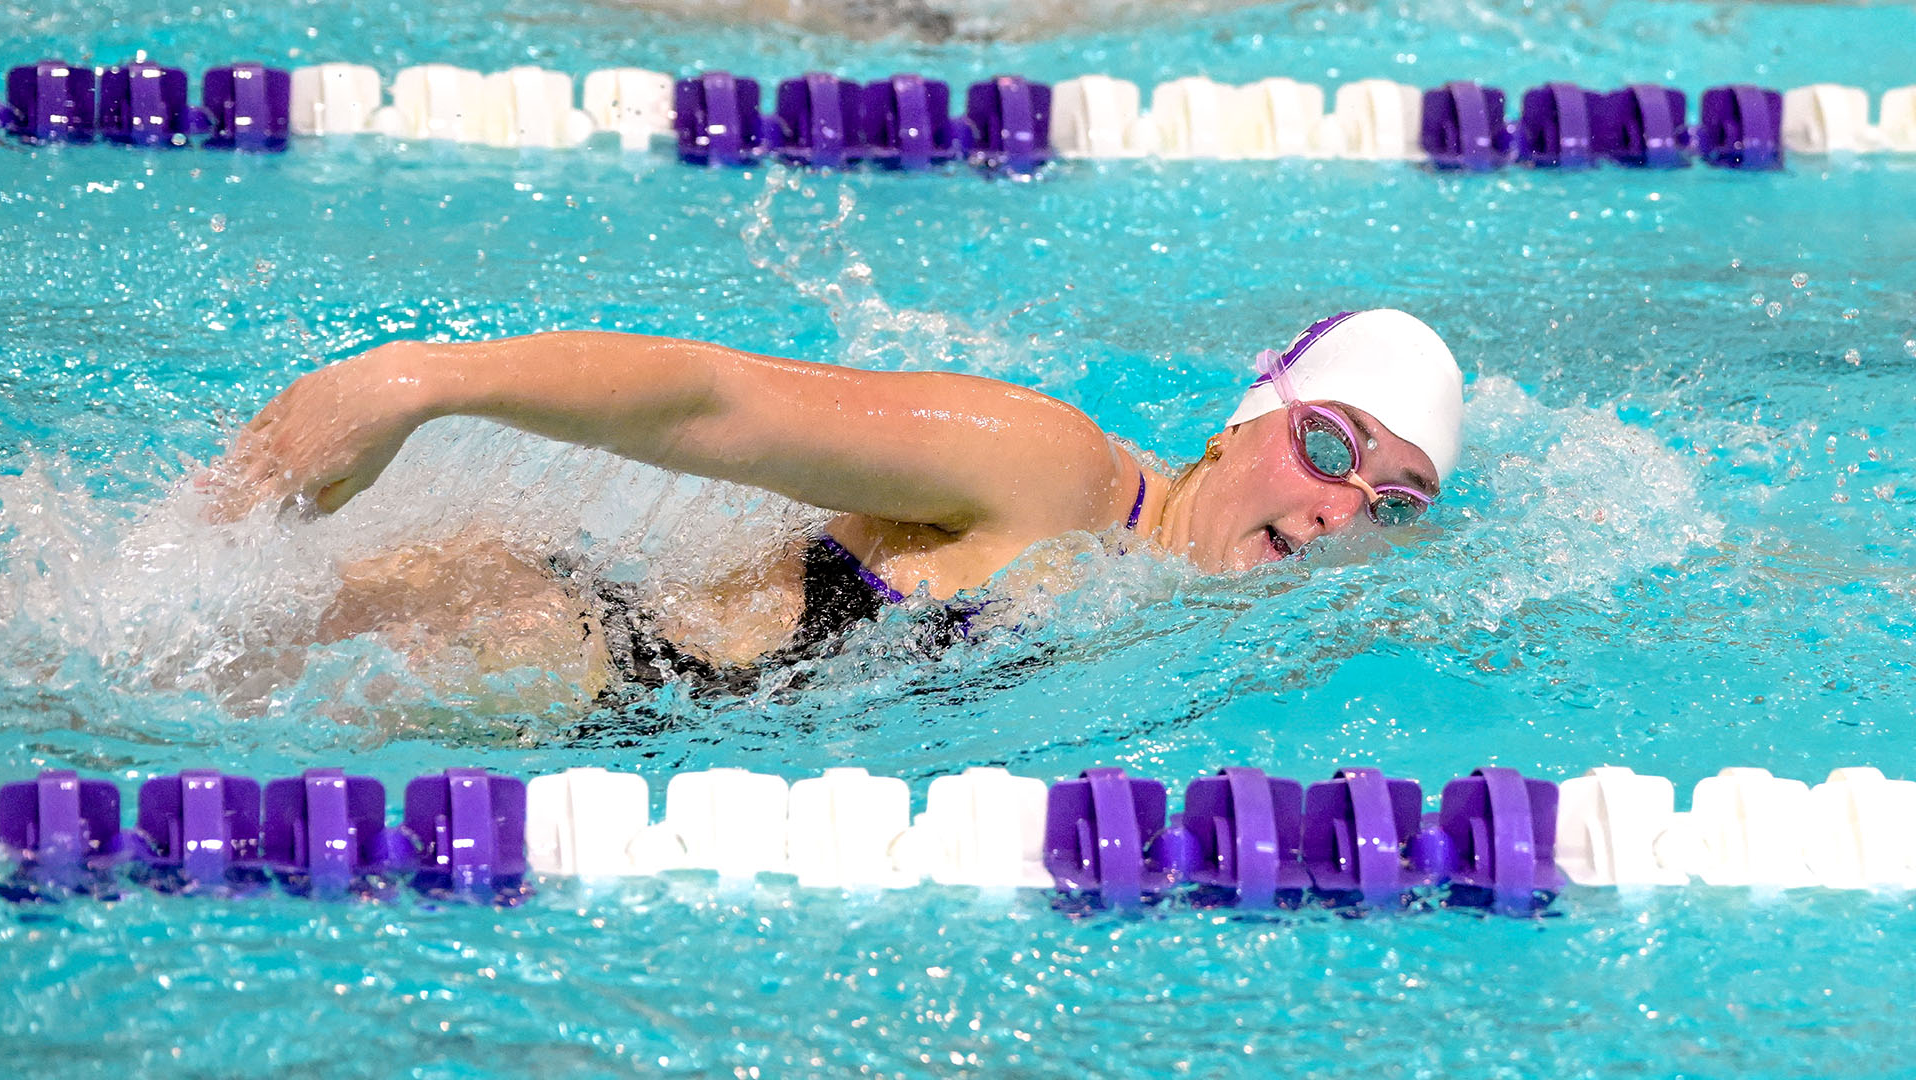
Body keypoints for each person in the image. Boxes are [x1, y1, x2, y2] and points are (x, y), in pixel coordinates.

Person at [207, 308, 1464, 699]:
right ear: (1250, 417)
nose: (1345, 508)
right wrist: (428, 382)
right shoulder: (1055, 471)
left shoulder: (1219, 619)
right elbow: (727, 405)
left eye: (1396, 501)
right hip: (529, 647)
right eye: (1327, 445)